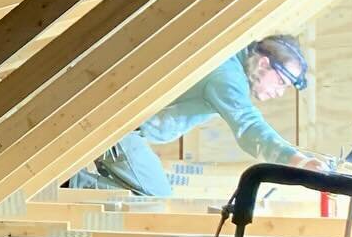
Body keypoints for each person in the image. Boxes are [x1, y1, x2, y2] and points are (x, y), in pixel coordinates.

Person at [70, 35, 329, 198]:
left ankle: (72, 182)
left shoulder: (228, 61)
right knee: (156, 199)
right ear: (263, 64)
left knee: (150, 196)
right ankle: (71, 183)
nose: (280, 92)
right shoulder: (227, 76)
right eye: (281, 82)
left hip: (120, 123)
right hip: (118, 127)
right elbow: (250, 127)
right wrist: (299, 162)